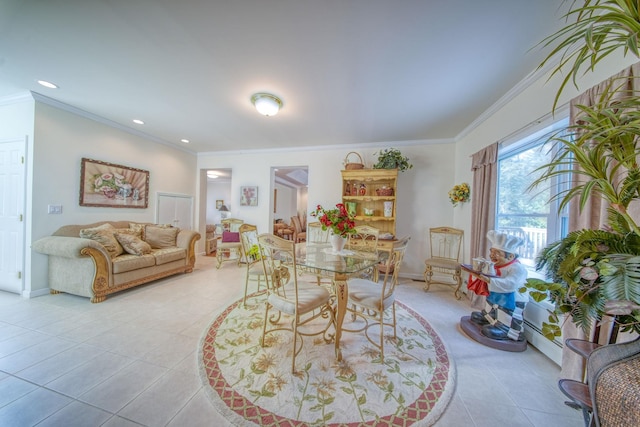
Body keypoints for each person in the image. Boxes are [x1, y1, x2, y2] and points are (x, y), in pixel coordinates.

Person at [467, 230, 528, 341]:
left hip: (511, 299)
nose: (492, 256)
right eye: (492, 252)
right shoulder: (494, 265)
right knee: (490, 305)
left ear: (510, 256)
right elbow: (484, 277)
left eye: (497, 254)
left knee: (505, 311)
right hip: (494, 295)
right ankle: (489, 318)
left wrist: (488, 279)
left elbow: (511, 284)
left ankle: (507, 330)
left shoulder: (517, 268)